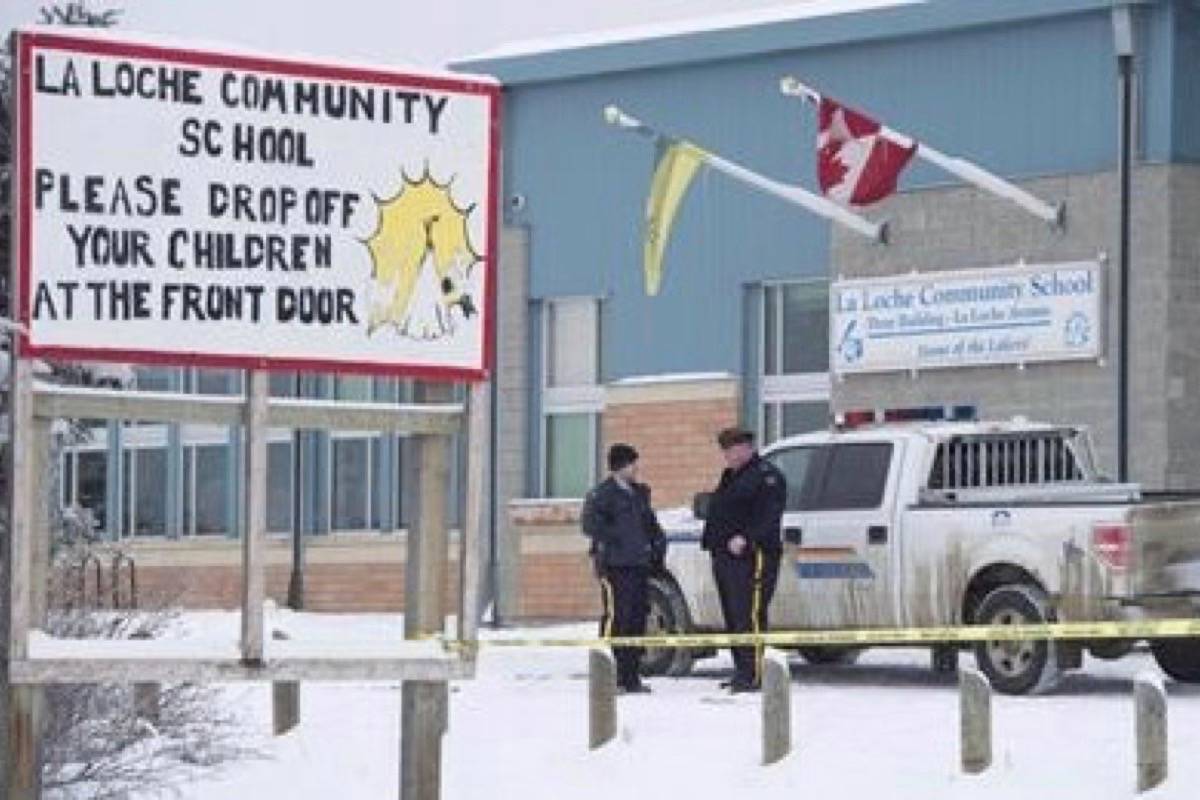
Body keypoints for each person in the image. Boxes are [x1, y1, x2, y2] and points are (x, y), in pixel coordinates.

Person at [701, 426, 787, 693]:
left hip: (753, 555)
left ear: (748, 448)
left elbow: (769, 516)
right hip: (726, 557)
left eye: (734, 449)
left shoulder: (766, 477)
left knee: (749, 613)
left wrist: (747, 540)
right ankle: (742, 670)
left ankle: (754, 673)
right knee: (733, 614)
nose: (729, 455)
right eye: (726, 450)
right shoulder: (731, 477)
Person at [581, 443, 667, 694]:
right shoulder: (602, 495)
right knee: (617, 618)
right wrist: (618, 538)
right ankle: (610, 675)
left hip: (639, 565)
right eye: (631, 464)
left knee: (637, 619)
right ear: (620, 466)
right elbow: (590, 526)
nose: (635, 468)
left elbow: (650, 524)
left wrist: (657, 545)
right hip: (615, 566)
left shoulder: (639, 494)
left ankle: (631, 675)